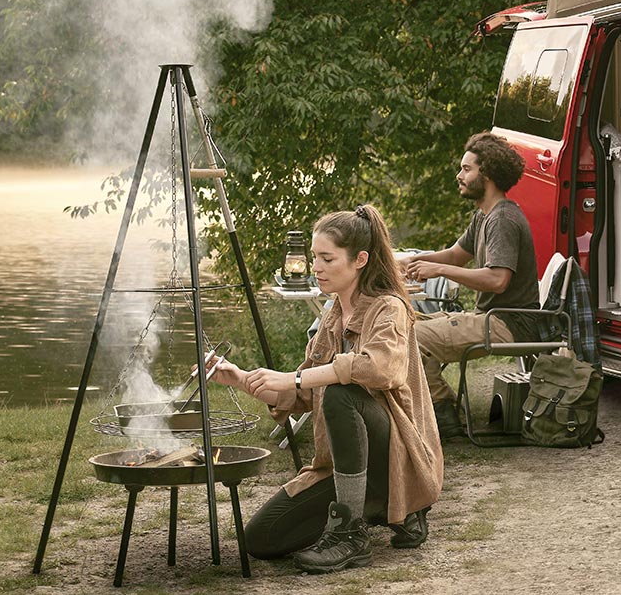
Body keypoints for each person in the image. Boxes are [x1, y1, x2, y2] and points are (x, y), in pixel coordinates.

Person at [206, 205, 443, 574]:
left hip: (396, 454)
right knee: (261, 540)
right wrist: (240, 378)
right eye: (314, 257)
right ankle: (372, 509)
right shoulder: (332, 315)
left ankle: (355, 532)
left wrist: (295, 378)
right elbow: (301, 395)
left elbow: (379, 368)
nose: (315, 266)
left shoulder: (389, 308)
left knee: (339, 390)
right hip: (342, 463)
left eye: (327, 258)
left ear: (360, 259)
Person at [401, 133, 541, 438]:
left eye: (467, 169)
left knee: (410, 337)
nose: (459, 176)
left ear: (487, 175)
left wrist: (438, 269)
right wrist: (403, 261)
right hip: (492, 318)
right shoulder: (484, 216)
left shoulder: (502, 219)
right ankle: (438, 411)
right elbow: (454, 255)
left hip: (508, 323)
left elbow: (497, 279)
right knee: (401, 325)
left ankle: (443, 415)